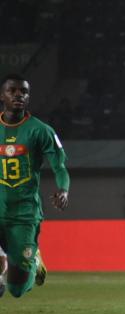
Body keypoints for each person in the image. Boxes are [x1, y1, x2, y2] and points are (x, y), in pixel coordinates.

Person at [0, 73, 69, 298]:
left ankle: (34, 259)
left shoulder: (41, 131)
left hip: (24, 214)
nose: (18, 95)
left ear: (28, 98)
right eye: (12, 91)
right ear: (3, 96)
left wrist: (63, 189)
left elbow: (59, 167)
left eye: (24, 92)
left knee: (17, 289)